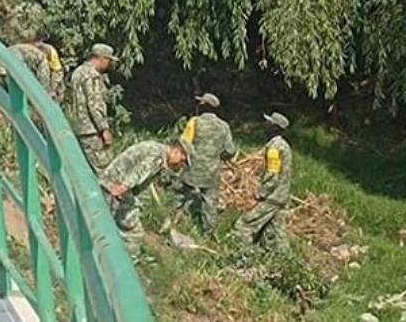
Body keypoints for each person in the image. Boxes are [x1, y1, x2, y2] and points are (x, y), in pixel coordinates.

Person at [101, 139, 190, 258]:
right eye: (182, 160)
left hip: (115, 184)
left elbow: (144, 185)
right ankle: (125, 263)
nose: (179, 166)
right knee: (134, 233)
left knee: (115, 222)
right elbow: (140, 171)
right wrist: (123, 187)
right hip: (114, 185)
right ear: (176, 151)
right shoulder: (157, 156)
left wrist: (136, 204)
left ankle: (112, 253)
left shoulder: (159, 154)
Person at [175, 92, 237, 233]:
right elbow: (231, 150)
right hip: (212, 172)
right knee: (210, 203)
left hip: (192, 169)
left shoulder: (195, 122)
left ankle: (176, 220)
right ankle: (208, 233)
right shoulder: (224, 126)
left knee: (181, 194)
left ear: (203, 106)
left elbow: (184, 142)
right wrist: (219, 156)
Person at [234, 112, 293, 252]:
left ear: (275, 128)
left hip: (272, 197)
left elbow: (272, 176)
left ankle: (244, 256)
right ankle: (285, 260)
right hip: (281, 196)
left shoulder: (274, 148)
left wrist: (259, 194)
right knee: (277, 234)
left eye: (269, 124)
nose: (265, 126)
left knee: (244, 225)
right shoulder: (284, 145)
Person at [68, 43, 119, 171]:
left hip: (78, 127)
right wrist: (104, 129)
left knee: (83, 169)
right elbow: (94, 104)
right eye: (109, 60)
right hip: (92, 130)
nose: (109, 65)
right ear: (102, 58)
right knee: (104, 170)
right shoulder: (92, 76)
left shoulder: (78, 72)